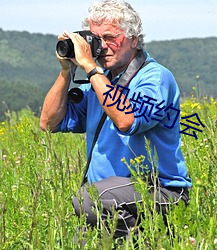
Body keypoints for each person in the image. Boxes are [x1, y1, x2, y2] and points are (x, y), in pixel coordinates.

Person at [40, 0, 192, 244]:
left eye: (110, 37)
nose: (102, 47)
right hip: (110, 199)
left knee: (88, 199)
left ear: (133, 39)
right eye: (96, 39)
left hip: (159, 191)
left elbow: (126, 121)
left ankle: (147, 241)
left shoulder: (154, 78)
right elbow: (49, 123)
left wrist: (90, 67)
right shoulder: (99, 82)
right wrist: (66, 70)